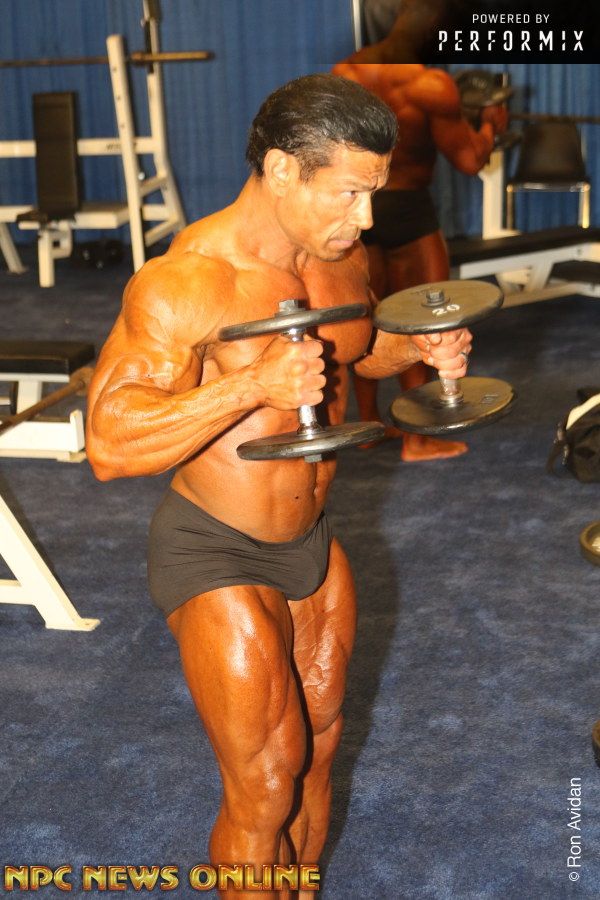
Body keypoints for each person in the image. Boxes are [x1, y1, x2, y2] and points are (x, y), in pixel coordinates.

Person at [86, 73, 471, 897]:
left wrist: (416, 349)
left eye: (372, 194)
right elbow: (110, 442)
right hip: (216, 547)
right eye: (349, 194)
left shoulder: (339, 258)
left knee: (320, 749)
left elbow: (355, 348)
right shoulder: (187, 279)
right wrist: (251, 386)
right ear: (283, 170)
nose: (365, 219)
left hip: (312, 541)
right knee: (265, 779)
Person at [332, 56, 507, 461]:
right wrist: (489, 126)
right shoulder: (428, 85)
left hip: (362, 208)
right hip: (410, 208)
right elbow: (470, 161)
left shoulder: (348, 74)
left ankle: (370, 426)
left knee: (366, 322)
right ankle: (417, 439)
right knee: (425, 320)